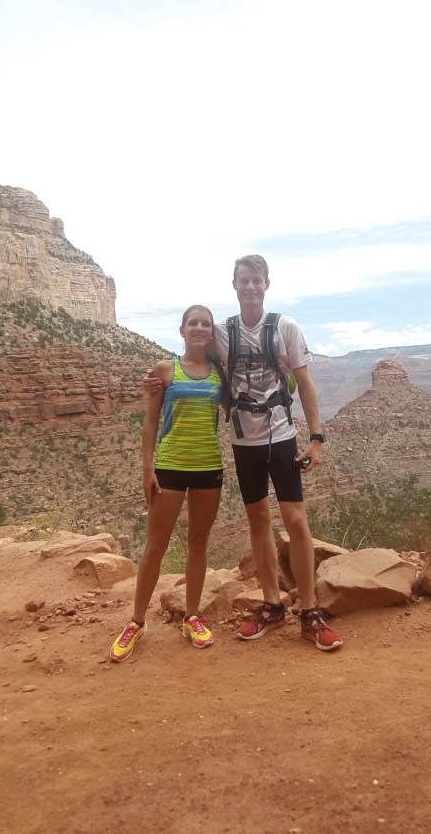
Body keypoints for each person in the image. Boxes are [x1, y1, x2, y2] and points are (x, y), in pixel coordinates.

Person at [144, 256, 342, 651]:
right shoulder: (221, 332)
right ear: (234, 285)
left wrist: (317, 438)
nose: (250, 287)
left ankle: (310, 611)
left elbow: (305, 383)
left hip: (282, 437)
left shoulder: (285, 327)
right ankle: (272, 605)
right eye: (244, 281)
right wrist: (154, 380)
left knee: (296, 520)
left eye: (256, 280)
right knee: (258, 521)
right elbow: (190, 355)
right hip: (244, 443)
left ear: (266, 284)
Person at [110, 305, 225, 662]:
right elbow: (150, 422)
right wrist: (148, 469)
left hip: (209, 466)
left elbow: (238, 408)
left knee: (198, 543)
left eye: (206, 324)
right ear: (182, 330)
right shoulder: (165, 370)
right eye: (193, 323)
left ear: (211, 332)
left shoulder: (220, 372)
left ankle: (192, 617)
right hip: (171, 466)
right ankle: (136, 622)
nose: (199, 328)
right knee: (155, 546)